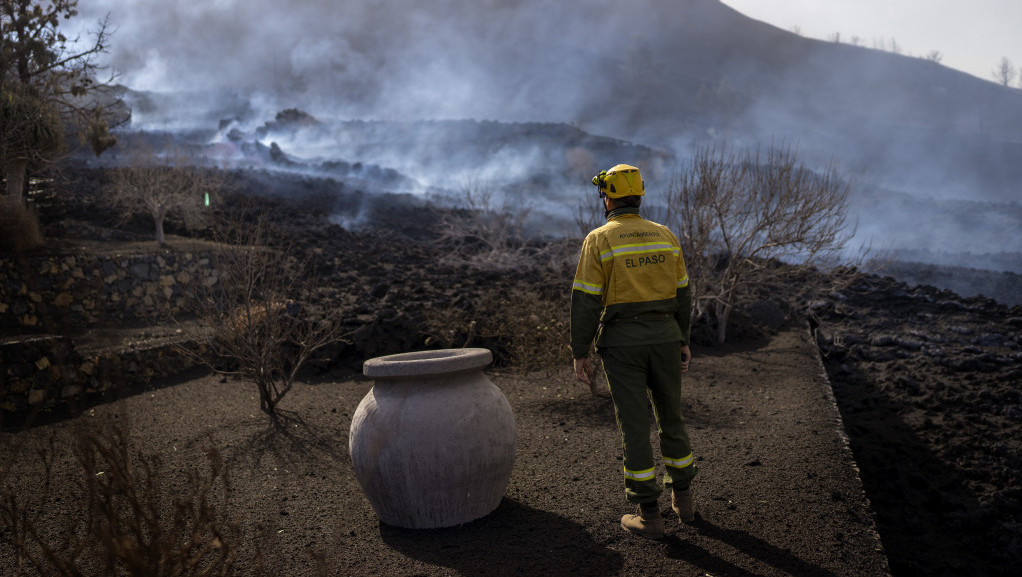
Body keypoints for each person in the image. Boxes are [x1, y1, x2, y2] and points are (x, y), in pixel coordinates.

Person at [570, 163, 696, 540]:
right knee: (671, 417)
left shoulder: (600, 239)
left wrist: (580, 350)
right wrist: (683, 339)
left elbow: (587, 300)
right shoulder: (665, 235)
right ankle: (685, 503)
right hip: (666, 338)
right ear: (638, 196)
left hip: (623, 344)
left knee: (636, 426)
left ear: (607, 198)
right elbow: (683, 293)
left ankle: (649, 517)